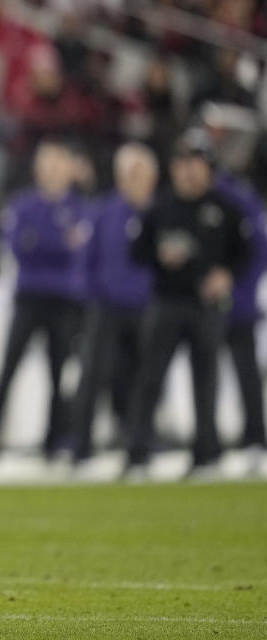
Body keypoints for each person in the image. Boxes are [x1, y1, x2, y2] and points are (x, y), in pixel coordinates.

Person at [125, 132, 252, 478]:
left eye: (195, 163)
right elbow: (137, 252)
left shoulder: (225, 207)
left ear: (208, 168)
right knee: (150, 379)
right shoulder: (161, 206)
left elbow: (245, 252)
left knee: (206, 381)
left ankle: (206, 456)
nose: (187, 171)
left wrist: (226, 275)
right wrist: (159, 255)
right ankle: (137, 455)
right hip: (166, 302)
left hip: (205, 305)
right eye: (181, 163)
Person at [0, 139, 89, 461]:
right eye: (46, 162)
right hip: (29, 297)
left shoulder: (78, 207)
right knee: (8, 370)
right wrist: (58, 243)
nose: (51, 170)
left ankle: (54, 441)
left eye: (58, 162)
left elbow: (73, 249)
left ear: (68, 168)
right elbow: (18, 246)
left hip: (64, 301)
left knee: (58, 373)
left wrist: (42, 241)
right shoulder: (23, 204)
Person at [69, 143, 157, 464]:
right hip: (106, 307)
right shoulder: (103, 211)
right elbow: (85, 260)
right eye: (127, 173)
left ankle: (139, 446)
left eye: (138, 172)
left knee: (143, 379)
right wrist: (91, 294)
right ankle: (81, 446)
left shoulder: (159, 211)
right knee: (92, 376)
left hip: (148, 309)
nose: (132, 179)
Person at [214, 170, 266, 472]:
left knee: (247, 374)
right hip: (197, 302)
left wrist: (239, 287)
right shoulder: (191, 195)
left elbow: (259, 251)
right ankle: (206, 442)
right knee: (204, 376)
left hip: (240, 303)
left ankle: (255, 439)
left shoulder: (243, 198)